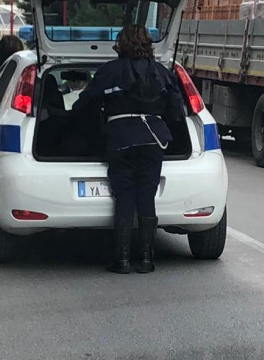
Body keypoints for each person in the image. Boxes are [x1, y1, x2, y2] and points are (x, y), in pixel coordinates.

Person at [72, 24, 185, 274]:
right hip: (153, 140)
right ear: (148, 43)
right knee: (146, 195)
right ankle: (146, 260)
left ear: (120, 44)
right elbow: (176, 110)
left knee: (124, 195)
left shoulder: (109, 71)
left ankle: (121, 260)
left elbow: (85, 104)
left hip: (120, 139)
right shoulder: (163, 73)